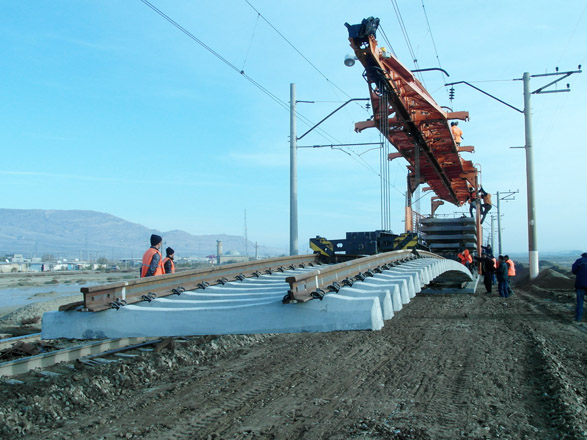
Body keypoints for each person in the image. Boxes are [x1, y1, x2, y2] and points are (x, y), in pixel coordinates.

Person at [571, 252, 587, 323]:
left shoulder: (579, 261)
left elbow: (574, 271)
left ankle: (578, 318)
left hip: (580, 285)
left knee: (580, 302)